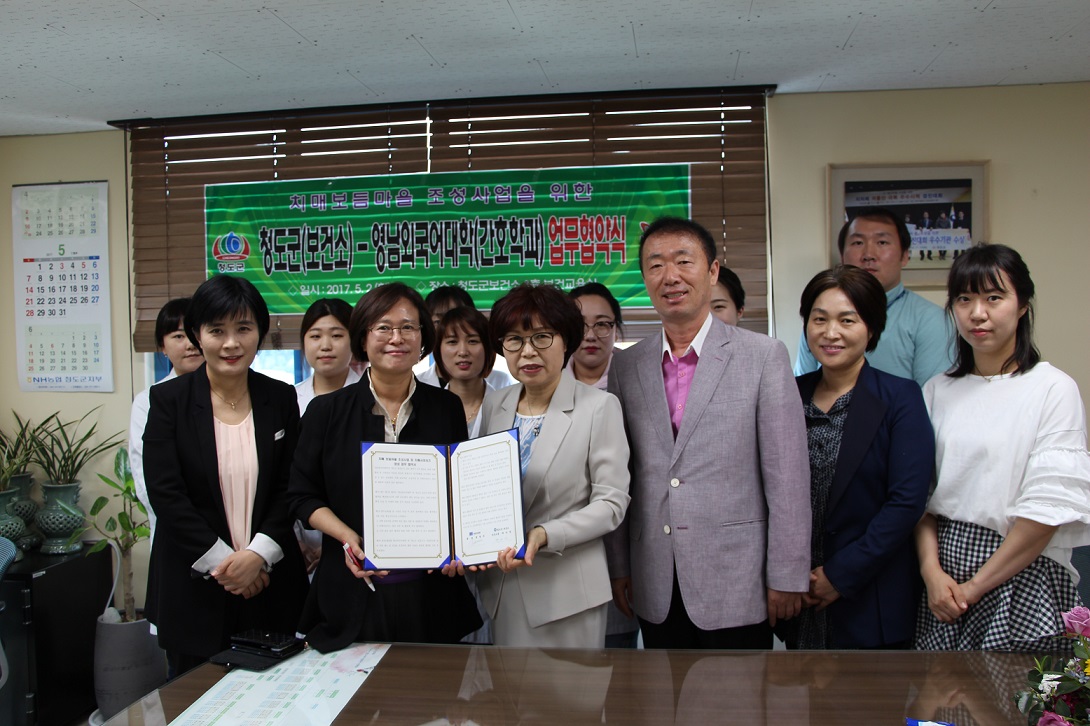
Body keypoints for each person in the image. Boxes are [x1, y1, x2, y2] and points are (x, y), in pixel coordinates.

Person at [606, 217, 810, 650]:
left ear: (713, 271)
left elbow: (788, 478)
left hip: (737, 577)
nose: (670, 276)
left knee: (739, 691)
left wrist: (787, 574)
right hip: (654, 577)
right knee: (661, 690)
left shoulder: (763, 356)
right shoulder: (627, 364)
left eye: (684, 261)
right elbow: (622, 475)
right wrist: (620, 566)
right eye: (655, 265)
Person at [914, 243, 1090, 653]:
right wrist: (931, 572)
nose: (977, 313)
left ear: (1023, 305)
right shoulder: (936, 390)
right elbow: (919, 496)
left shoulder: (1052, 388)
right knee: (940, 694)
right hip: (943, 580)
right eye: (964, 299)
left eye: (994, 297)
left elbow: (1045, 511)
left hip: (1020, 572)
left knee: (1017, 693)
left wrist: (974, 587)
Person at [287, 283, 481, 652]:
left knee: (429, 686)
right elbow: (301, 495)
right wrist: (347, 538)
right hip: (349, 591)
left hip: (431, 594)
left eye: (408, 327)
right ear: (363, 337)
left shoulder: (446, 408)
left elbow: (458, 492)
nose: (397, 338)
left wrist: (460, 546)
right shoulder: (326, 411)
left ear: (423, 338)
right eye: (383, 327)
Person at [143, 276, 308, 676]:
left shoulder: (281, 397)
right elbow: (166, 494)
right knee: (195, 699)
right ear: (198, 335)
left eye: (243, 329)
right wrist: (228, 568)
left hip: (270, 584)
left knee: (276, 697)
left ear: (260, 333)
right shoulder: (168, 401)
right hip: (193, 589)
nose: (231, 343)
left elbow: (291, 485)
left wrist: (258, 556)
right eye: (217, 330)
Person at [476, 283, 630, 647]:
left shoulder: (598, 407)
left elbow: (611, 504)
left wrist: (546, 534)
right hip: (502, 587)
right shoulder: (495, 404)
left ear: (566, 341)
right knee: (508, 684)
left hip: (566, 594)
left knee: (568, 686)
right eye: (514, 340)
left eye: (542, 337)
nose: (528, 351)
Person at [789, 266, 932, 649]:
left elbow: (906, 502)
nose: (830, 332)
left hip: (870, 596)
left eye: (847, 320)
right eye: (819, 319)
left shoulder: (900, 398)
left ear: (871, 328)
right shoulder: (787, 393)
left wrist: (839, 575)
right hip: (798, 595)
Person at [794, 207, 953, 387]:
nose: (868, 255)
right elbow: (800, 389)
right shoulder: (820, 318)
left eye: (882, 242)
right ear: (842, 256)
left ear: (905, 255)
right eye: (857, 243)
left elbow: (933, 397)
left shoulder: (931, 319)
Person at [566, 282, 640, 648]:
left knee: (618, 658)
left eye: (603, 324)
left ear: (616, 328)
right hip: (563, 551)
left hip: (630, 538)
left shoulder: (640, 378)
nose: (591, 335)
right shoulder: (546, 381)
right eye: (580, 325)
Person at [130, 297, 204, 541]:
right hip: (176, 533)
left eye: (195, 334)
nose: (190, 344)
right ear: (162, 345)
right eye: (178, 336)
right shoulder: (147, 402)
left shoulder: (234, 395)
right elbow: (147, 481)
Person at [417, 285, 515, 390]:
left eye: (459, 317)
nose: (451, 327)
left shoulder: (502, 381)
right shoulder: (416, 384)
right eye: (438, 322)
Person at [435, 306, 498, 438]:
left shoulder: (505, 407)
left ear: (488, 348)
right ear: (438, 350)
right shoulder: (427, 409)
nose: (463, 352)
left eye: (473, 341)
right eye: (452, 342)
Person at [295, 298, 361, 415]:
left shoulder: (374, 397)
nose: (325, 346)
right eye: (316, 336)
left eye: (336, 335)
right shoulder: (290, 399)